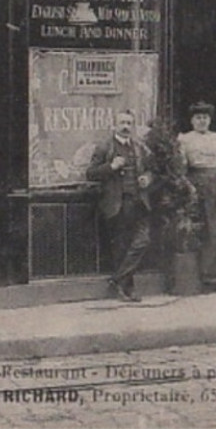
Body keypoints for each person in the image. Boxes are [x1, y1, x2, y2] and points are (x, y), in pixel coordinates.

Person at [85, 109, 157, 302]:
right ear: (114, 125)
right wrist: (111, 167)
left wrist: (147, 178)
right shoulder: (105, 147)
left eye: (129, 123)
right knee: (122, 247)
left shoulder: (140, 148)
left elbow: (152, 170)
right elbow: (90, 173)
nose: (126, 127)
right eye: (122, 123)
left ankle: (117, 281)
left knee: (143, 240)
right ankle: (127, 289)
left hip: (139, 202)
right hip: (117, 203)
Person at [177, 101, 216, 291]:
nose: (202, 121)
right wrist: (189, 187)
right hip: (197, 185)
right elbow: (180, 168)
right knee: (205, 231)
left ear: (210, 120)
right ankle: (206, 278)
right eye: (198, 118)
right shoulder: (184, 139)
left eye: (205, 118)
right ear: (192, 120)